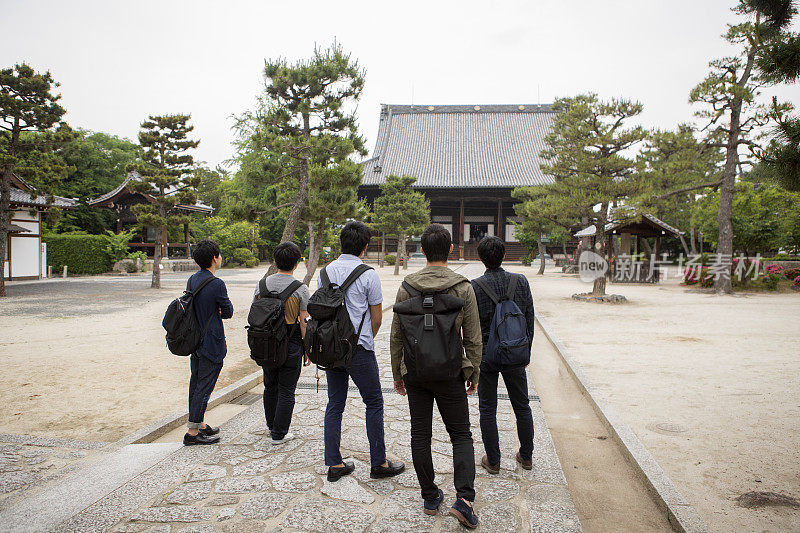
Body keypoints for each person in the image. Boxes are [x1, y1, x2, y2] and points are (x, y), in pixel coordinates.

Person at [390, 223, 483, 528]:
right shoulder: (463, 287)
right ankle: (465, 499)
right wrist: (473, 371)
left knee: (420, 434)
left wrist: (398, 374)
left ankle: (430, 495)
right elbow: (473, 337)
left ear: (421, 249)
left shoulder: (407, 287)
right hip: (450, 372)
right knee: (460, 434)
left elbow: (396, 337)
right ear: (451, 249)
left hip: (416, 372)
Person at [318, 221, 405, 482]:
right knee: (374, 402)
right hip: (358, 349)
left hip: (332, 348)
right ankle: (379, 462)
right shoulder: (368, 275)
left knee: (335, 403)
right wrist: (364, 339)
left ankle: (334, 464)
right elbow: (377, 318)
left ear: (341, 243)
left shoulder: (326, 272)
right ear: (365, 247)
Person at [471, 236, 535, 474]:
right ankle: (526, 456)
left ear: (480, 258)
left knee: (488, 408)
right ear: (504, 255)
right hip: (515, 351)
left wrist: (473, 359)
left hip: (487, 356)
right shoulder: (520, 282)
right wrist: (525, 351)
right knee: (522, 405)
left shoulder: (475, 286)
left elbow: (472, 327)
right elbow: (529, 318)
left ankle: (494, 460)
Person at [253, 241, 311, 445]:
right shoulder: (300, 289)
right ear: (296, 263)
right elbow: (304, 322)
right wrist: (307, 349)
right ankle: (279, 433)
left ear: (275, 261)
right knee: (287, 389)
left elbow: (255, 313)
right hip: (291, 341)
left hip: (266, 342)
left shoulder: (262, 285)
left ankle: (272, 426)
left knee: (270, 386)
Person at [184, 239, 234, 446]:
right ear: (214, 258)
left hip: (195, 340)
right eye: (219, 255)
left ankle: (199, 423)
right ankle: (192, 433)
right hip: (211, 342)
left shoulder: (192, 279)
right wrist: (219, 310)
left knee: (196, 383)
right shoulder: (217, 284)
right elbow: (228, 311)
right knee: (204, 387)